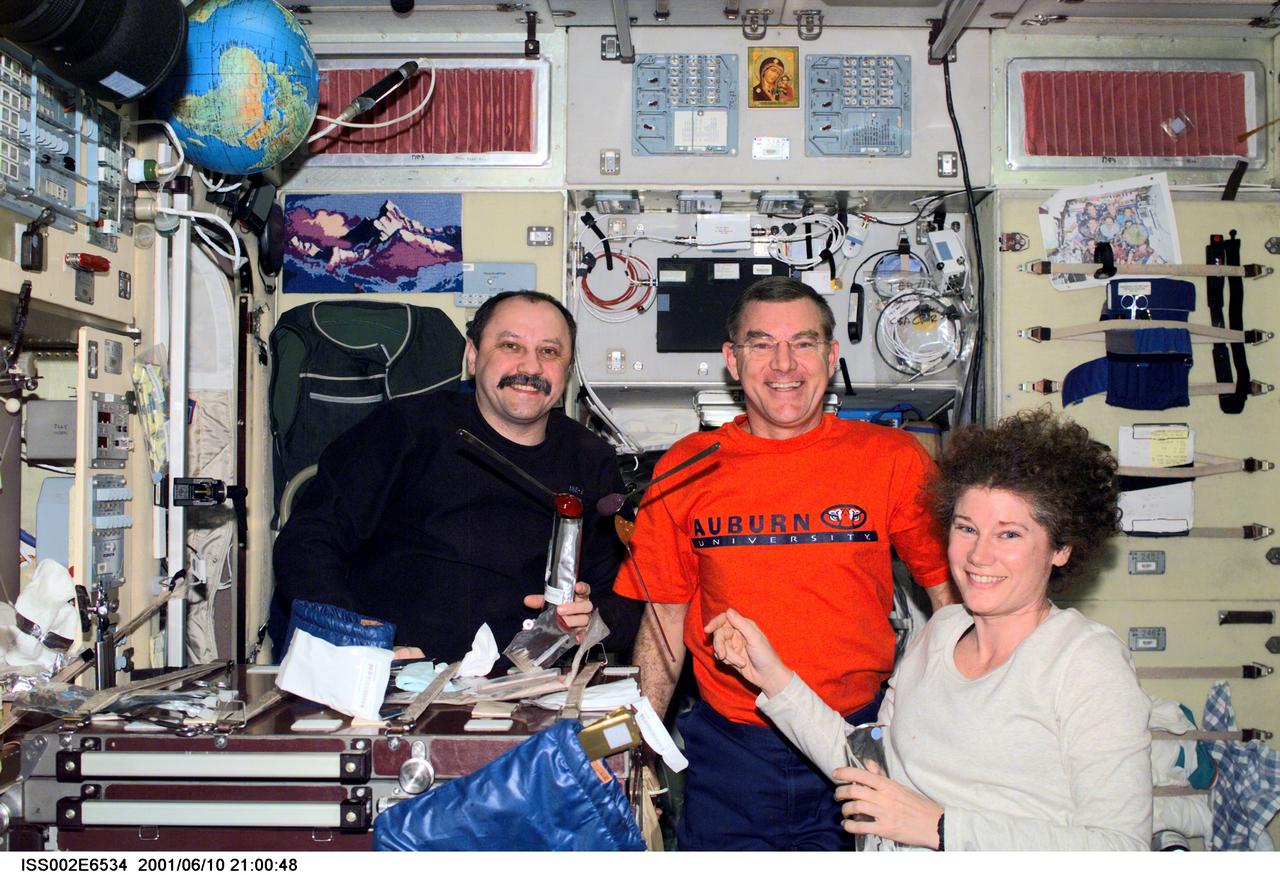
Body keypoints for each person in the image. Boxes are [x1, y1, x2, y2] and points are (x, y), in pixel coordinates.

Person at [707, 408, 1153, 851]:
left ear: (1060, 548)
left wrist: (942, 829)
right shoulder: (942, 629)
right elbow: (870, 766)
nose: (979, 555)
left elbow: (1121, 847)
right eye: (966, 528)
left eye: (1009, 535)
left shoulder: (1085, 662)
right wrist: (770, 675)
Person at [614, 277, 956, 850]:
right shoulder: (684, 468)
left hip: (861, 736)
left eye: (803, 343)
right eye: (761, 344)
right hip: (732, 747)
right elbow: (665, 623)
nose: (784, 364)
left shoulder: (893, 460)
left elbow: (949, 600)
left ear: (830, 355)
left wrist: (950, 728)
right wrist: (639, 748)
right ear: (732, 359)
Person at [272, 291, 641, 661]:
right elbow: (308, 542)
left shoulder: (590, 458)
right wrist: (353, 637)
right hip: (393, 670)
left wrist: (590, 622)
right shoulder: (404, 429)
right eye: (510, 345)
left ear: (567, 369)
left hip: (525, 682)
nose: (530, 367)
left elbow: (627, 599)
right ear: (472, 356)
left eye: (549, 352)